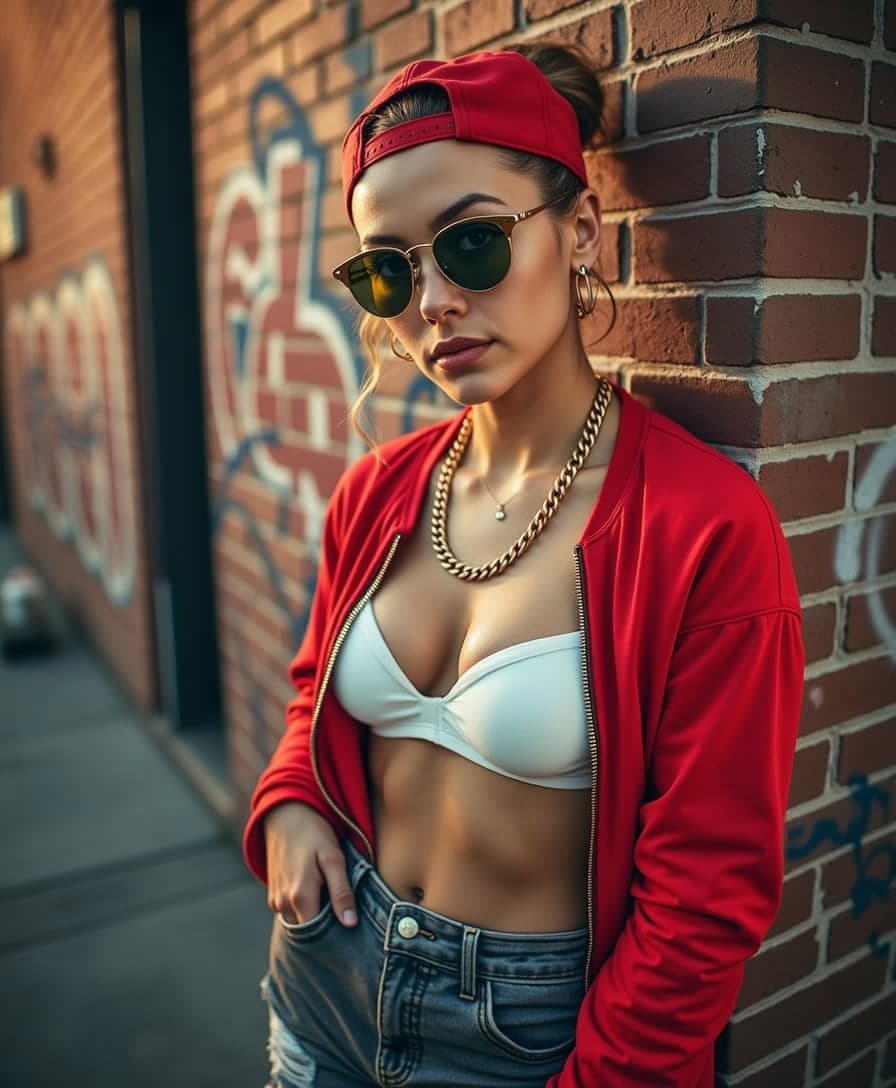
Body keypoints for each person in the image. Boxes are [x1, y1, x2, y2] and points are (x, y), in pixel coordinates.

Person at [242, 43, 804, 1088]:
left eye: (469, 242)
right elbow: (315, 689)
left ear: (579, 230)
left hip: (532, 1033)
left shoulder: (702, 530)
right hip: (322, 975)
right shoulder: (378, 492)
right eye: (388, 266)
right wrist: (289, 799)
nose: (431, 300)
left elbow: (705, 898)